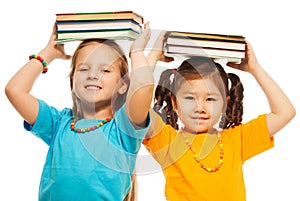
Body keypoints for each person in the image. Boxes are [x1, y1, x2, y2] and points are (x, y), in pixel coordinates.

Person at [5, 22, 163, 201]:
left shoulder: (123, 129)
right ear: (73, 80)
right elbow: (15, 90)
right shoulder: (59, 124)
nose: (92, 75)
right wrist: (48, 53)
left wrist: (136, 53)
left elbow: (143, 87)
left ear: (123, 85)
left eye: (105, 69)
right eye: (84, 68)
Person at [143, 42, 296, 200]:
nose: (200, 107)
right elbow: (135, 107)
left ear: (224, 103)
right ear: (174, 102)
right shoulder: (166, 140)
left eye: (210, 99)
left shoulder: (237, 139)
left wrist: (255, 69)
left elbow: (285, 112)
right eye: (190, 98)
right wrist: (153, 57)